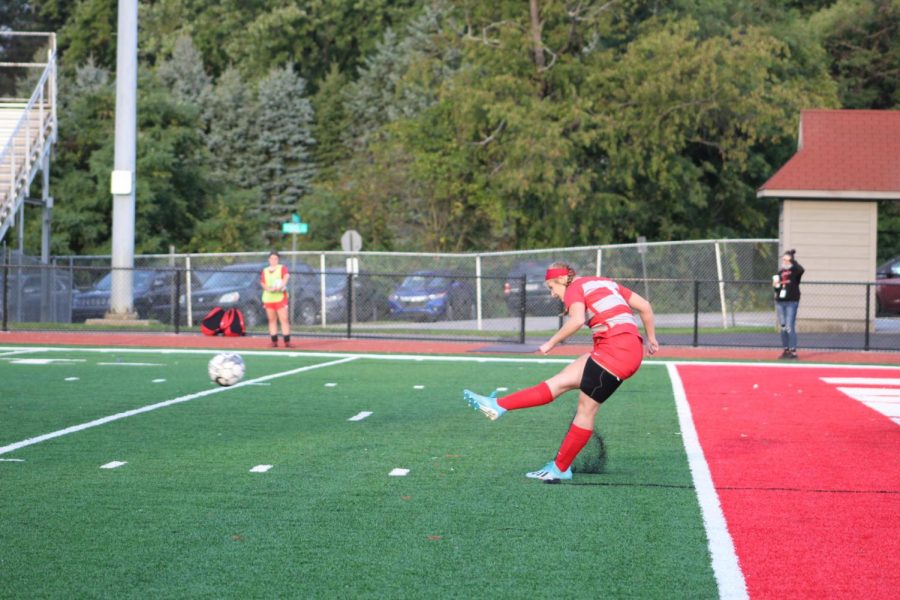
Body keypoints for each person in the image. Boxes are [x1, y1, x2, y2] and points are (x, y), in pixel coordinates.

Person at [463, 262, 659, 483]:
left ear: (561, 280)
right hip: (622, 348)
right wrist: (651, 339)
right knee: (560, 381)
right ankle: (498, 406)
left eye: (551, 287)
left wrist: (551, 342)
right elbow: (645, 306)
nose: (553, 294)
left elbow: (576, 320)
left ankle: (560, 468)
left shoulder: (574, 288)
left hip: (617, 352)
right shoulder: (603, 282)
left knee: (586, 410)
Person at [773, 248, 804, 359]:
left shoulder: (795, 271)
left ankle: (793, 351)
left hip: (791, 301)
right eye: (784, 259)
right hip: (780, 302)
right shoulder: (780, 272)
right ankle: (786, 350)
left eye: (787, 260)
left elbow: (801, 270)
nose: (785, 262)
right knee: (783, 327)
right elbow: (777, 288)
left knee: (789, 326)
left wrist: (793, 260)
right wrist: (776, 286)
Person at [261, 251, 292, 348]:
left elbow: (286, 277)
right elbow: (262, 283)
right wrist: (269, 289)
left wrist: (281, 286)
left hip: (280, 298)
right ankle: (274, 341)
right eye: (271, 258)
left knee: (284, 319)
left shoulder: (282, 268)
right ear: (268, 260)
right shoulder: (265, 270)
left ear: (278, 259)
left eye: (275, 259)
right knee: (271, 320)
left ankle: (287, 342)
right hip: (269, 298)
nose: (273, 260)